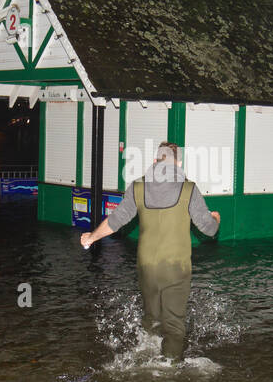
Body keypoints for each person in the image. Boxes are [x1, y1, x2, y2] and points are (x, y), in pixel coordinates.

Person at [80, 141, 220, 360]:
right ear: (179, 162)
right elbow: (209, 230)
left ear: (156, 161)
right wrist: (215, 218)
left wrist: (91, 237)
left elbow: (116, 221)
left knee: (151, 317)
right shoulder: (189, 188)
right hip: (176, 268)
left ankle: (144, 356)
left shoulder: (138, 186)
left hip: (146, 267)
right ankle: (167, 371)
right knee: (174, 325)